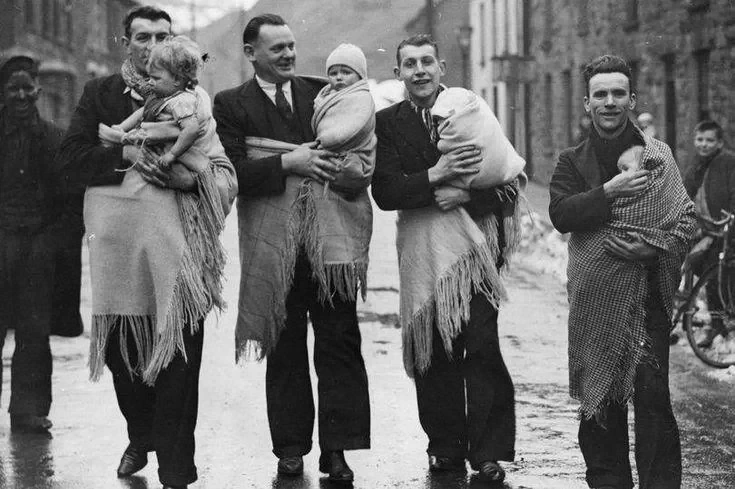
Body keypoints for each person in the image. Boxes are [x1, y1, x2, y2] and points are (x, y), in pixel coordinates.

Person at [56, 6, 237, 489]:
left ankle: (176, 472)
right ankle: (142, 434)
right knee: (123, 356)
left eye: (163, 36)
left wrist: (188, 178)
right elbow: (69, 160)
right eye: (143, 37)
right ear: (126, 43)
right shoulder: (101, 94)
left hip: (179, 254)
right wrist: (127, 151)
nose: (154, 45)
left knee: (179, 356)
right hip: (119, 256)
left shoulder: (194, 98)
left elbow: (221, 169)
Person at [213, 14, 371, 483]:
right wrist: (289, 161)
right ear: (251, 54)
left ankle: (337, 451)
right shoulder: (231, 104)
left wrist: (345, 169)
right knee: (284, 348)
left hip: (329, 244)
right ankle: (290, 450)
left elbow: (360, 145)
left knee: (340, 344)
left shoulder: (324, 91)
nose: (288, 55)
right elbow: (230, 173)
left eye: (291, 45)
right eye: (277, 48)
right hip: (274, 248)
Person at [371, 34, 520, 484]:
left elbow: (507, 183)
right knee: (434, 350)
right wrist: (436, 176)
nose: (419, 70)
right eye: (410, 64)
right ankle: (445, 448)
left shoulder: (470, 110)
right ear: (398, 73)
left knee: (482, 345)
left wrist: (465, 195)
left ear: (442, 69)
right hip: (423, 252)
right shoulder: (388, 123)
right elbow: (386, 192)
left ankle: (488, 452)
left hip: (477, 253)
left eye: (427, 62)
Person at [549, 54, 696, 489]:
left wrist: (652, 249)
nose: (609, 102)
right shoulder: (571, 161)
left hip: (647, 298)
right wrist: (610, 191)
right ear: (587, 103)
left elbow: (684, 219)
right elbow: (561, 214)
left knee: (652, 399)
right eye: (600, 94)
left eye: (618, 93)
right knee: (601, 401)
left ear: (632, 99)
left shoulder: (658, 157)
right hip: (595, 305)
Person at [0, 55, 64, 434]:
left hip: (37, 250)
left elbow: (67, 200)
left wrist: (50, 242)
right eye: (13, 89)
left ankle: (28, 412)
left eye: (28, 88)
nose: (22, 96)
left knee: (34, 331)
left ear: (38, 90)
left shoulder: (53, 139)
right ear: (3, 92)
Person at [682, 120, 735, 346]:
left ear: (720, 143)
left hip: (725, 230)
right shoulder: (696, 164)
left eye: (709, 140)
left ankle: (719, 323)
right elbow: (686, 192)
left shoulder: (728, 162)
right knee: (698, 269)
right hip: (705, 230)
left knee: (717, 278)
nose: (703, 144)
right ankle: (710, 320)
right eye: (700, 139)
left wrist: (730, 215)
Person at [312, 42, 375, 195]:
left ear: (360, 76)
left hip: (353, 159)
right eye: (333, 73)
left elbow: (354, 128)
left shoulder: (362, 98)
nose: (339, 77)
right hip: (330, 155)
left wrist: (323, 142)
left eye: (346, 72)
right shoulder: (325, 97)